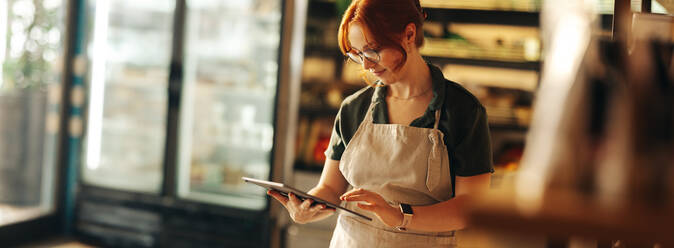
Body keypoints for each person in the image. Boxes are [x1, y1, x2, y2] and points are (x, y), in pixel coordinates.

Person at [269, 0, 494, 247]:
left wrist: (400, 215)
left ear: (409, 34)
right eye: (356, 54)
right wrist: (306, 207)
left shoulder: (463, 111)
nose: (366, 65)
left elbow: (470, 208)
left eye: (373, 50)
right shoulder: (354, 109)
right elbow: (330, 189)